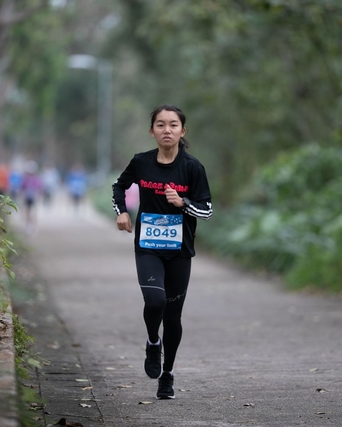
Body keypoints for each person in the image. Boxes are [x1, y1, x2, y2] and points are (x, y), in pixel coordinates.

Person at [112, 104, 213, 399]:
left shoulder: (192, 167)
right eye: (160, 125)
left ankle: (167, 375)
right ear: (152, 131)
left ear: (182, 131)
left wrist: (183, 203)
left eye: (172, 125)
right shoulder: (141, 162)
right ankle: (152, 343)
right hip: (148, 247)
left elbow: (206, 210)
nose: (166, 130)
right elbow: (119, 186)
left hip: (180, 250)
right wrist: (122, 212)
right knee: (154, 301)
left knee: (173, 316)